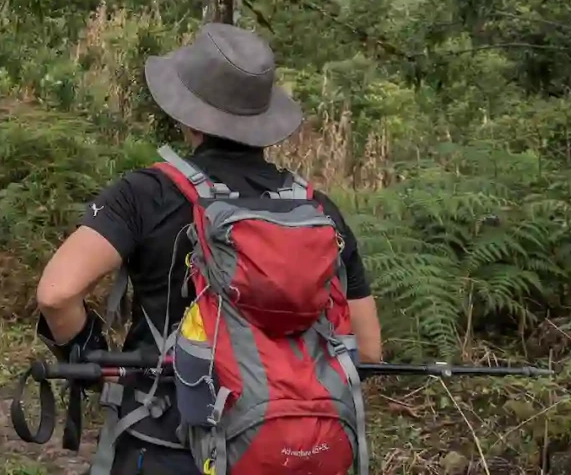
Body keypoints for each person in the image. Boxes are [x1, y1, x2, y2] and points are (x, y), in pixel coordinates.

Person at [34, 24, 383, 475]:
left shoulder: (147, 194)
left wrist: (88, 354)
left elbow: (56, 293)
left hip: (165, 447)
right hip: (292, 453)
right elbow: (368, 349)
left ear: (188, 116)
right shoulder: (317, 209)